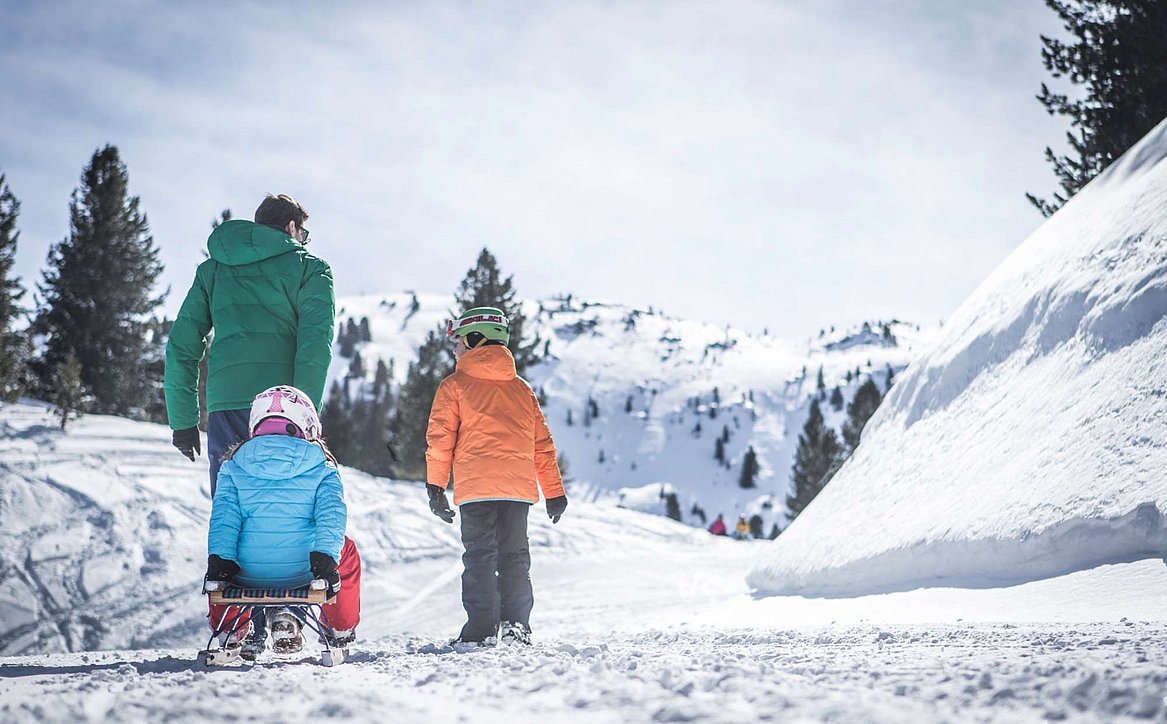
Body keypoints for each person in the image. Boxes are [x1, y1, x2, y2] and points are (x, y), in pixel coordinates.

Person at [164, 194, 335, 496]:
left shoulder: (213, 271)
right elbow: (315, 347)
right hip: (284, 409)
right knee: (285, 513)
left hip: (227, 406)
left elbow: (182, 345)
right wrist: (305, 413)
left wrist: (183, 421)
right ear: (291, 227)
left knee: (231, 509)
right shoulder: (310, 268)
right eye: (302, 234)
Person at [424, 307, 568, 646]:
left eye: (458, 343)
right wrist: (554, 492)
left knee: (480, 558)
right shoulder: (522, 390)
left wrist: (435, 486)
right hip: (517, 491)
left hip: (476, 490)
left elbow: (440, 440)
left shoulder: (454, 386)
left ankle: (480, 631)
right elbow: (542, 445)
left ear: (475, 340)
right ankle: (517, 625)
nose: (455, 350)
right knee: (515, 557)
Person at [204, 386, 362, 660]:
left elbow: (223, 522)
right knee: (346, 549)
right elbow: (331, 517)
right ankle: (339, 629)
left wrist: (220, 566)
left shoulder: (232, 466)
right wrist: (324, 561)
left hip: (245, 575)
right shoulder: (322, 467)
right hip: (304, 572)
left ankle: (230, 629)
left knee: (221, 558)